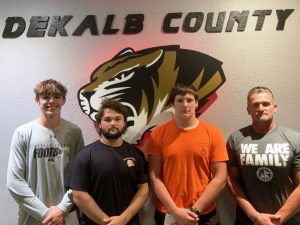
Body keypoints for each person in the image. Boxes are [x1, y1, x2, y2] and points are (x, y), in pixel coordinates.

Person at [147, 83, 228, 225]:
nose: (185, 105)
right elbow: (154, 177)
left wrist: (194, 211)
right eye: (180, 100)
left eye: (189, 100)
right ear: (173, 104)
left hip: (204, 212)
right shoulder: (158, 134)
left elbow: (220, 177)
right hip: (168, 212)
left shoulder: (213, 133)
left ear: (196, 103)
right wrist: (175, 211)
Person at [7, 79, 84, 225]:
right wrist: (47, 214)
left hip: (66, 217)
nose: (51, 101)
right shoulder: (23, 133)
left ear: (63, 100)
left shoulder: (74, 132)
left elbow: (80, 178)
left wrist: (62, 209)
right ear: (37, 100)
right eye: (46, 97)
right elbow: (14, 181)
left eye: (56, 97)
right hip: (33, 218)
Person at [65, 98, 149, 225]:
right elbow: (79, 195)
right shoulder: (85, 155)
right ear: (99, 123)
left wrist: (123, 219)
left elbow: (144, 190)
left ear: (124, 122)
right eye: (107, 119)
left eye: (117, 119)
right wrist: (106, 222)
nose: (113, 123)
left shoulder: (136, 154)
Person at [226, 86, 300, 225]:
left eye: (266, 103)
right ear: (248, 110)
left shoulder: (295, 139)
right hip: (248, 220)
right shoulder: (236, 138)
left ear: (275, 107)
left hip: (288, 220)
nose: (261, 108)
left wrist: (278, 219)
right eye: (255, 105)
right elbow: (231, 180)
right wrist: (255, 216)